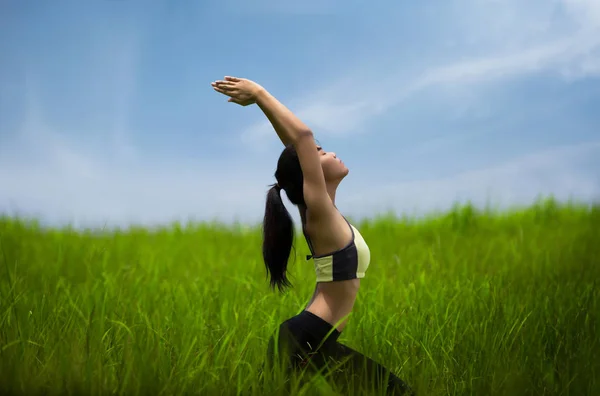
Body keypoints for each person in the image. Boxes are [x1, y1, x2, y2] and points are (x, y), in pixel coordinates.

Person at [211, 76, 414, 395]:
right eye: (320, 153)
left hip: (310, 340)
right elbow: (302, 138)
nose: (330, 152)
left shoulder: (325, 212)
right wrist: (259, 94)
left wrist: (295, 148)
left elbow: (296, 150)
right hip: (306, 341)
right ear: (311, 175)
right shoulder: (318, 213)